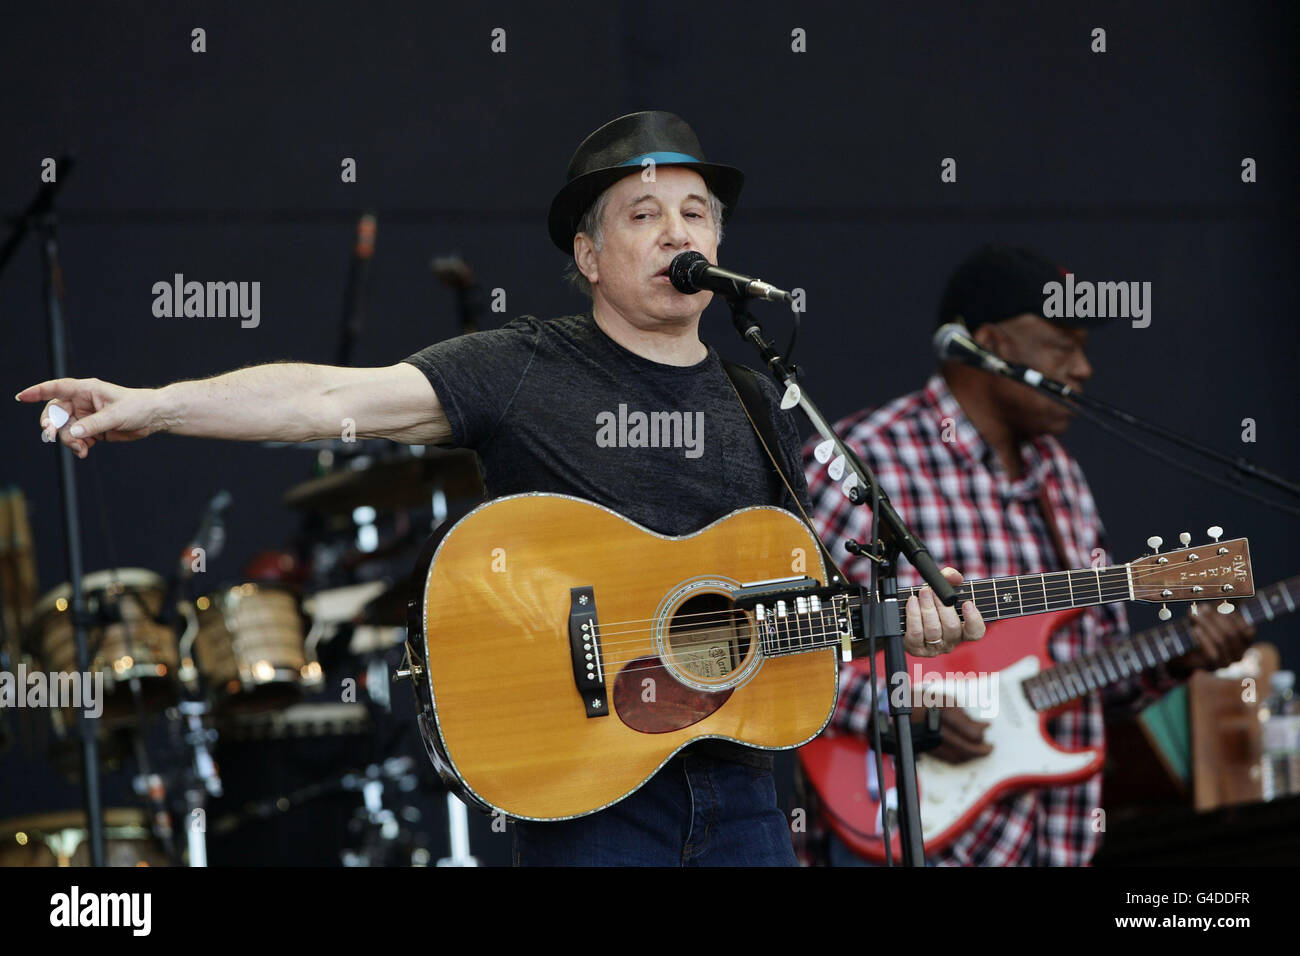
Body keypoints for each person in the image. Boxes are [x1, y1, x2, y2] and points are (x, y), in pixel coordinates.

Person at [18, 111, 985, 866]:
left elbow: (778, 604)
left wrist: (894, 620)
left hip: (744, 795)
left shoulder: (754, 395)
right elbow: (324, 396)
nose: (674, 231)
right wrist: (155, 403)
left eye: (695, 213)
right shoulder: (520, 365)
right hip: (588, 785)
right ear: (589, 256)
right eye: (642, 215)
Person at [804, 244, 1255, 866]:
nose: (1084, 368)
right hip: (916, 834)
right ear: (989, 345)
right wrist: (901, 710)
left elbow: (1097, 672)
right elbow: (778, 644)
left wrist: (1180, 655)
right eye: (1061, 345)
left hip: (1057, 841)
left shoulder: (1060, 479)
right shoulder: (862, 462)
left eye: (1084, 347)